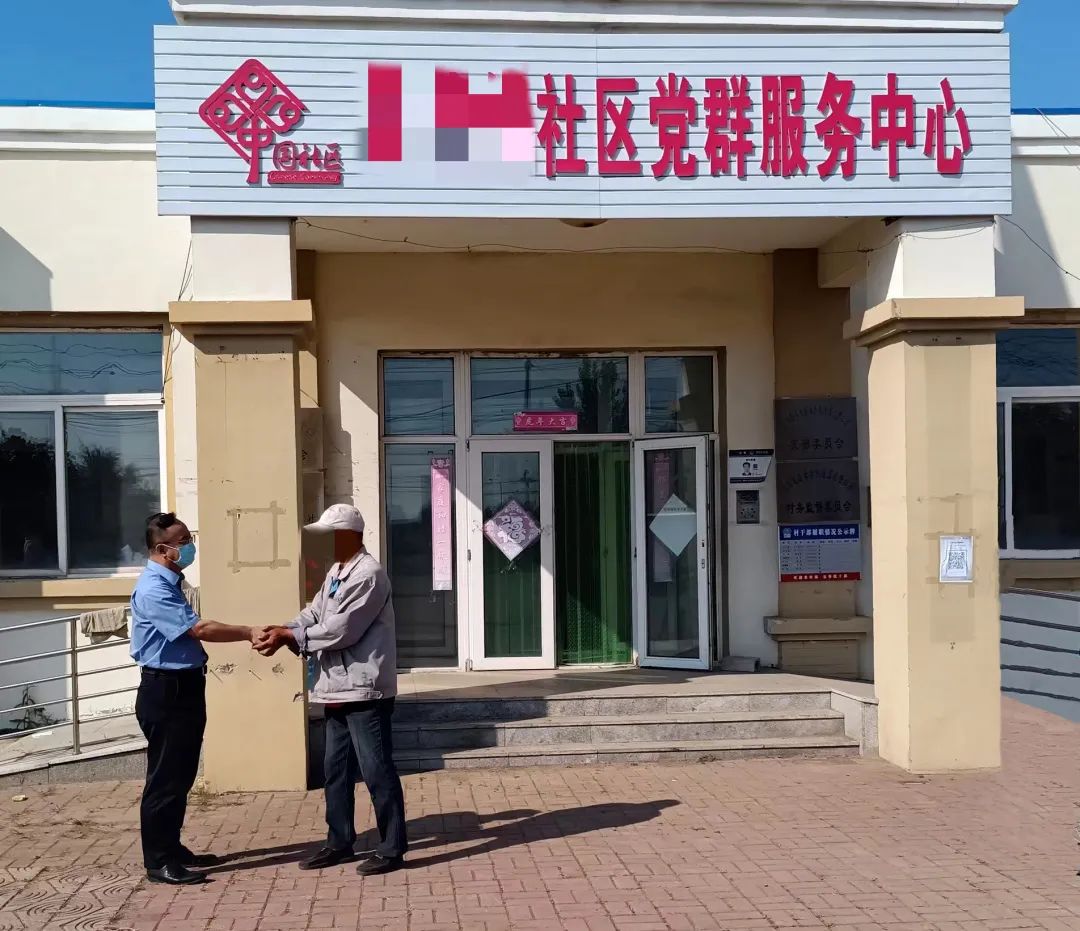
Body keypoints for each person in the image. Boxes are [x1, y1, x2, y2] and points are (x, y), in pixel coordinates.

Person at [254, 503, 407, 876]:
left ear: (348, 536)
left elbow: (342, 629)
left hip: (363, 689)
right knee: (335, 770)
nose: (321, 544)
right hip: (335, 687)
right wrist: (285, 628)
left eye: (328, 536)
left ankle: (392, 848)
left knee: (376, 769)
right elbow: (315, 612)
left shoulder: (368, 574)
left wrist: (291, 636)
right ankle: (339, 842)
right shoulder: (337, 571)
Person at [131, 512, 258, 886]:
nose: (190, 547)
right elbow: (198, 629)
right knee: (165, 779)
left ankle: (171, 847)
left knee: (181, 774)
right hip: (165, 690)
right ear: (162, 549)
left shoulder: (169, 583)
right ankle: (159, 861)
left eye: (189, 539)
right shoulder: (154, 589)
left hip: (183, 687)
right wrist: (248, 631)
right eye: (183, 541)